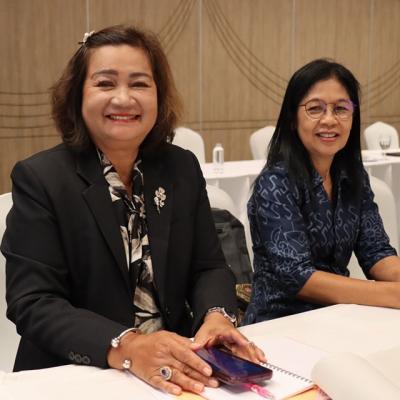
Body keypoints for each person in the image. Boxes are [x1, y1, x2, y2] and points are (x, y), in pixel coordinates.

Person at [1, 25, 264, 395]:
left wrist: (217, 316)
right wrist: (127, 346)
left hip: (174, 368)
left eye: (139, 84)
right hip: (78, 375)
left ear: (159, 95)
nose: (123, 98)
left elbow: (208, 266)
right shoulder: (41, 178)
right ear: (77, 95)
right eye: (105, 83)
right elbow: (33, 303)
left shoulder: (180, 167)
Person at [244, 58, 400, 323]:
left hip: (337, 315)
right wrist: (389, 294)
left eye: (341, 109)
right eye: (315, 109)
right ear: (292, 119)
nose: (329, 120)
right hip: (280, 322)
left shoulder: (352, 177)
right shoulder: (275, 182)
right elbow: (298, 277)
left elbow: (376, 252)